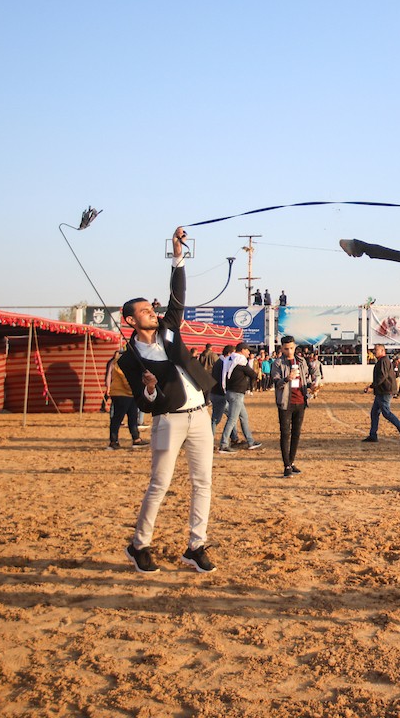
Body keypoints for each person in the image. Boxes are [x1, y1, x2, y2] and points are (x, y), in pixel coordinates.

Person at [116, 226, 218, 574]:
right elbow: (145, 405)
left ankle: (196, 546)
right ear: (130, 320)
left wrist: (178, 255)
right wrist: (148, 386)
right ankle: (138, 545)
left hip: (200, 413)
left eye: (151, 308)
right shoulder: (130, 358)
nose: (152, 312)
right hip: (169, 420)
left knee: (203, 482)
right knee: (159, 484)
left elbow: (178, 294)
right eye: (145, 311)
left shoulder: (169, 327)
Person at [270, 335, 318, 478]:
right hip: (286, 402)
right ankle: (286, 465)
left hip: (300, 401)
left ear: (295, 346)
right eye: (286, 349)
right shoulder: (278, 363)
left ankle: (291, 461)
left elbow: (306, 379)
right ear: (282, 348)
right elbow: (276, 383)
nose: (289, 351)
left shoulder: (301, 361)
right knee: (285, 434)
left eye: (291, 348)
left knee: (296, 433)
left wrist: (312, 386)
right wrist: (287, 378)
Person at [362, 343, 400, 443]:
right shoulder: (382, 361)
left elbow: (382, 376)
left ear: (382, 351)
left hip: (385, 391)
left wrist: (372, 386)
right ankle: (373, 435)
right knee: (374, 413)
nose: (374, 352)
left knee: (386, 413)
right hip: (382, 391)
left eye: (376, 350)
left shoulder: (383, 361)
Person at [218, 343, 262, 454]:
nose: (249, 353)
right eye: (248, 351)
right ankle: (223, 444)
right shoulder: (241, 359)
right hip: (237, 393)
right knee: (232, 419)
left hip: (230, 391)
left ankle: (250, 441)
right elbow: (251, 373)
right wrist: (257, 375)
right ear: (242, 350)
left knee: (243, 417)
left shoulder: (228, 358)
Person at [105, 345, 148, 450]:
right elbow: (125, 378)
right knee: (117, 418)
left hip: (129, 394)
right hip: (121, 393)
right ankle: (113, 441)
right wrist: (134, 388)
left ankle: (136, 439)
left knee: (133, 417)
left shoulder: (124, 361)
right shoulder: (120, 361)